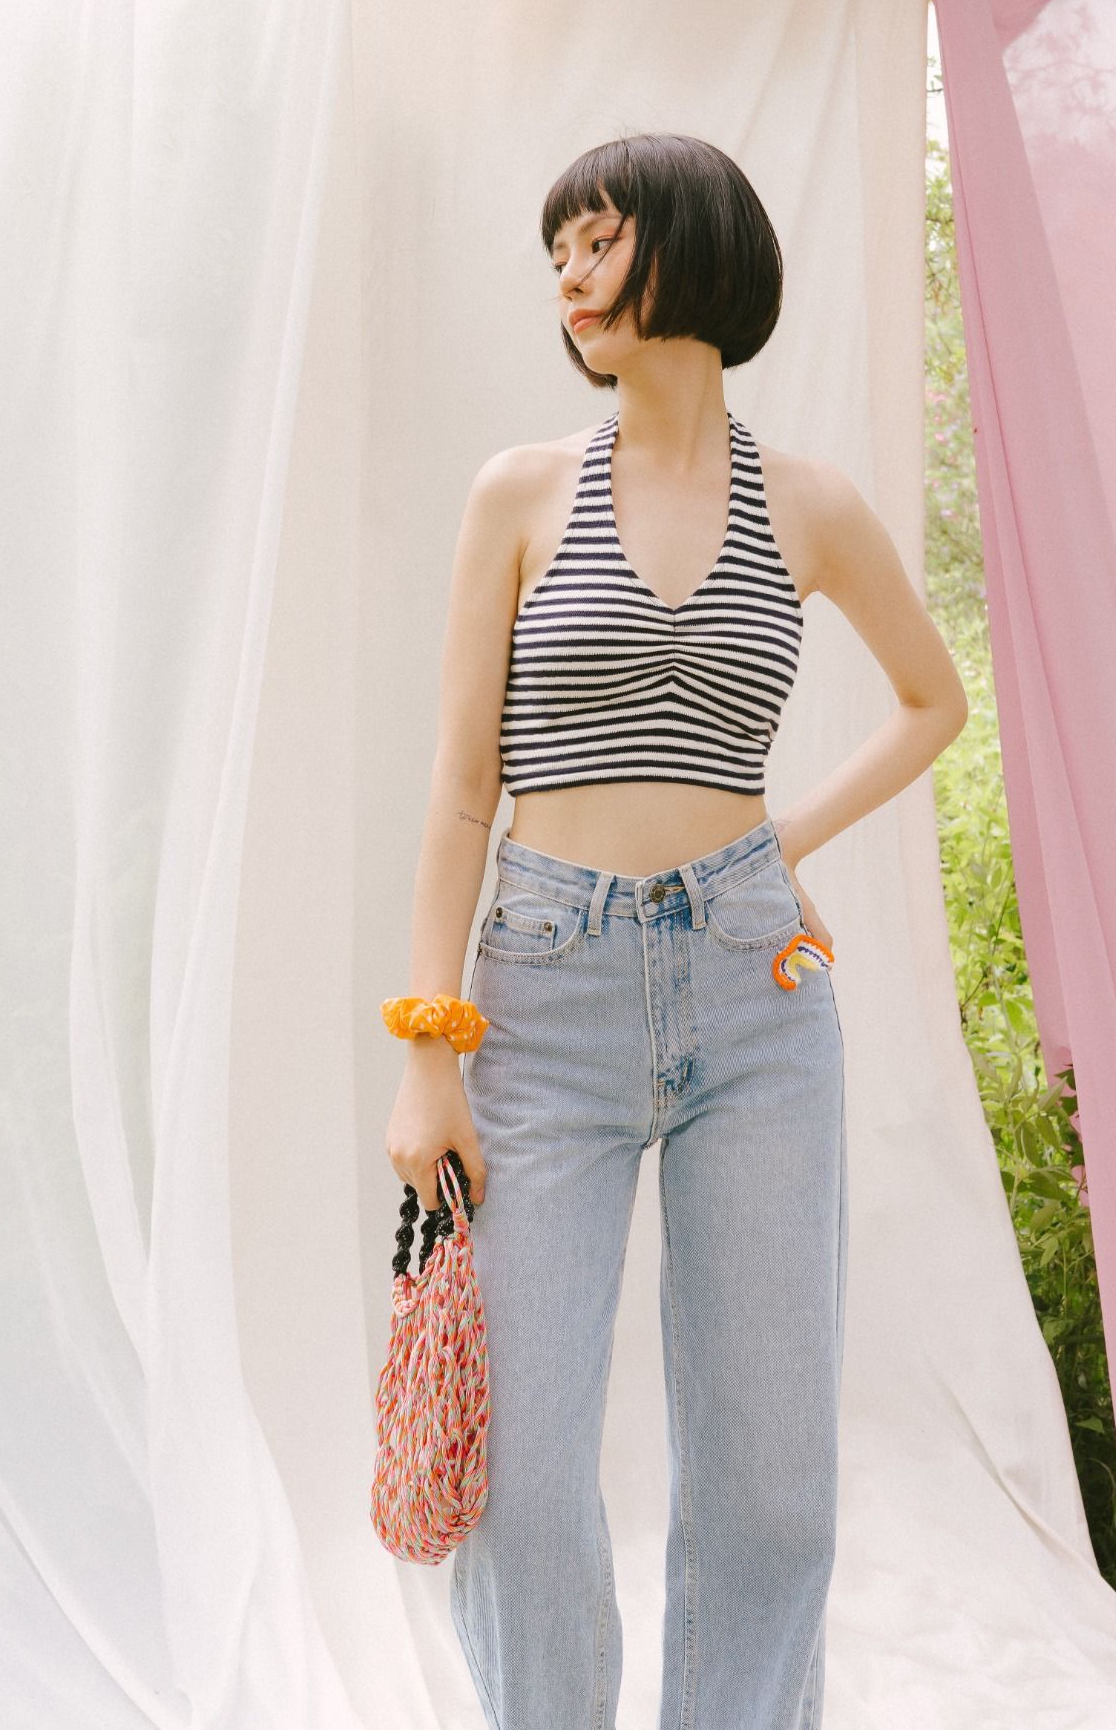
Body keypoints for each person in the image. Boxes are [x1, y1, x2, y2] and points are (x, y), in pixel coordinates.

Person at [383, 132, 968, 1728]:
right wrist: (425, 1052)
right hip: (543, 996)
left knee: (771, 1486)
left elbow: (935, 702)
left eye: (598, 237)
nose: (567, 271)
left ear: (690, 252)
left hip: (752, 998)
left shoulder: (810, 505)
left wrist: (774, 843)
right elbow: (457, 790)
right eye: (554, 245)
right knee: (516, 1473)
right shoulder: (517, 493)